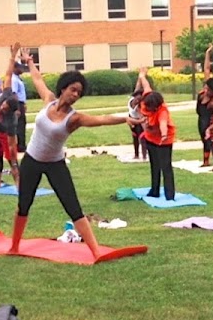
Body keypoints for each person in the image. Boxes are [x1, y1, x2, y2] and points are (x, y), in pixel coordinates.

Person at [7, 48, 140, 260]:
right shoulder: (49, 100)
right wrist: (30, 62)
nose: (75, 94)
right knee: (24, 204)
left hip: (55, 164)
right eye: (72, 89)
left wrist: (125, 118)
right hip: (31, 160)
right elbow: (38, 80)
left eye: (79, 92)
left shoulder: (74, 118)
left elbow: (102, 119)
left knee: (73, 207)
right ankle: (14, 246)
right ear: (63, 89)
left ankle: (96, 252)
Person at [0, 44, 23, 188]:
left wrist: (14, 159)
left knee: (11, 159)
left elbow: (11, 144)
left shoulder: (11, 122)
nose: (2, 107)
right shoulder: (7, 93)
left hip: (3, 133)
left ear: (10, 111)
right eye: (3, 105)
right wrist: (13, 56)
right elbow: (8, 74)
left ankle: (19, 185)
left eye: (5, 108)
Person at [138, 69, 177, 200]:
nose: (146, 109)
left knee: (165, 167)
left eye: (149, 108)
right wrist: (142, 75)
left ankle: (169, 195)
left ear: (155, 106)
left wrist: (164, 135)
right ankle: (154, 190)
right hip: (150, 138)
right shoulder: (148, 97)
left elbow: (163, 124)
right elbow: (146, 85)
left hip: (163, 141)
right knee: (154, 165)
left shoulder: (162, 112)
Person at [196, 45, 213, 170]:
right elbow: (206, 69)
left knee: (211, 141)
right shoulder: (203, 92)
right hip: (201, 119)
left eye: (208, 90)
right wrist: (207, 53)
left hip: (209, 122)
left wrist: (210, 128)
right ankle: (206, 161)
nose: (205, 90)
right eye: (206, 87)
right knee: (203, 140)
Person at [126, 75, 148, 162]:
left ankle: (144, 156)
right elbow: (137, 86)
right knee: (135, 138)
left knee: (142, 138)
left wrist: (145, 129)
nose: (137, 101)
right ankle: (136, 155)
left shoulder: (140, 107)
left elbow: (142, 118)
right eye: (137, 99)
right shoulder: (132, 99)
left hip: (139, 121)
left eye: (139, 100)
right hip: (132, 120)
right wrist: (140, 77)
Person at [10, 57, 29, 154]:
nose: (23, 69)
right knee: (20, 125)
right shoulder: (14, 79)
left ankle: (21, 144)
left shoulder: (18, 78)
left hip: (21, 103)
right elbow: (14, 94)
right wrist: (17, 108)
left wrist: (24, 104)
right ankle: (20, 146)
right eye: (21, 67)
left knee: (22, 124)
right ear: (15, 68)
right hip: (17, 104)